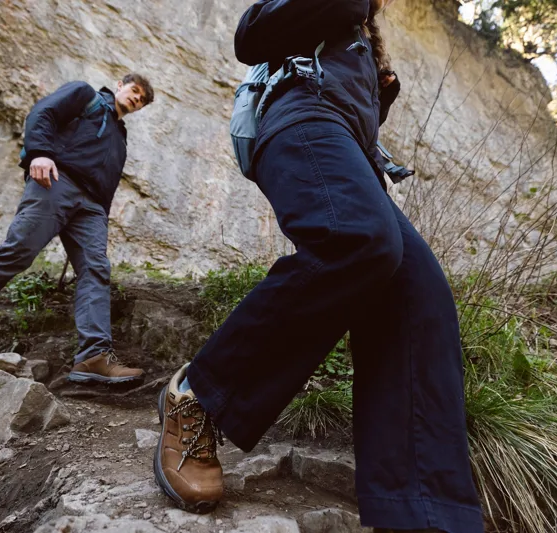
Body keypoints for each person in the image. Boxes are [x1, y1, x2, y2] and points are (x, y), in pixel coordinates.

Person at [152, 1, 484, 531]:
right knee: (359, 239)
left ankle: (421, 510)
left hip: (347, 146)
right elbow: (250, 35)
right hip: (300, 121)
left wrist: (379, 88)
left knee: (420, 296)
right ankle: (200, 396)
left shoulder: (359, 39)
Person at [0, 74, 155, 386]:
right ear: (120, 84)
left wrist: (100, 219)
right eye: (135, 91)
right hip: (56, 181)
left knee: (96, 270)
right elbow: (44, 112)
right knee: (17, 252)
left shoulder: (120, 138)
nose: (136, 99)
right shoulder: (86, 95)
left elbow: (106, 183)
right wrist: (40, 153)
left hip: (92, 208)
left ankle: (94, 357)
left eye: (142, 100)